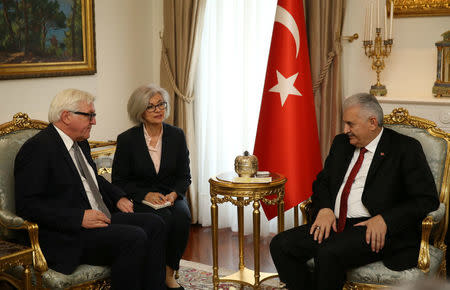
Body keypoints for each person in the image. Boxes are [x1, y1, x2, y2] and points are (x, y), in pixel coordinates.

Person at [270, 93, 439, 290]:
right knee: (281, 244)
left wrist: (385, 219)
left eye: (350, 124)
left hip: (372, 229)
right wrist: (324, 208)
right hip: (334, 222)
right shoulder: (341, 143)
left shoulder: (405, 148)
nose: (345, 130)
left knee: (328, 252)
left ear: (372, 122)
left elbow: (426, 199)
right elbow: (322, 182)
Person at [14, 89, 167, 290]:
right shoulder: (38, 148)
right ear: (66, 116)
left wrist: (118, 196)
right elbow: (28, 205)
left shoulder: (80, 142)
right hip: (69, 233)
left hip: (99, 216)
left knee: (155, 223)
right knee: (133, 237)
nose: (94, 121)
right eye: (89, 115)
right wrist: (78, 217)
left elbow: (93, 179)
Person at [112, 84, 191, 290]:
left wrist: (175, 194)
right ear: (140, 111)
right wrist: (145, 194)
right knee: (162, 219)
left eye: (161, 104)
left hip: (171, 195)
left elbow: (185, 176)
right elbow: (119, 181)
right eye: (151, 106)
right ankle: (154, 275)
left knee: (182, 217)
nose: (158, 110)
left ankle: (169, 273)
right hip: (141, 197)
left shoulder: (177, 135)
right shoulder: (127, 140)